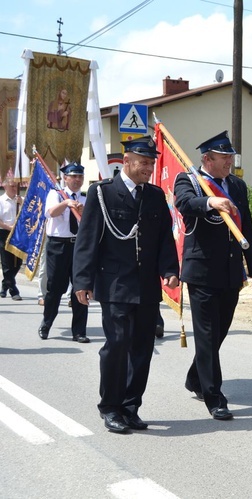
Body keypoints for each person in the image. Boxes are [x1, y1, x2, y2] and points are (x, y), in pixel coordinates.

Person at [73, 136, 179, 433]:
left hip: (145, 285)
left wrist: (169, 269)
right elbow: (87, 239)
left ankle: (131, 406)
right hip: (114, 283)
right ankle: (110, 406)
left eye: (152, 163)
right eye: (144, 163)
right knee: (117, 345)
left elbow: (163, 238)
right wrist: (83, 279)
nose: (149, 168)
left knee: (142, 347)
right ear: (127, 161)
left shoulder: (155, 196)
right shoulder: (103, 193)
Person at [174, 131, 252, 421]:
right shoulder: (189, 180)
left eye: (230, 157)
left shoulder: (236, 185)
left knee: (217, 334)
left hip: (230, 271)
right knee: (207, 334)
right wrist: (210, 202)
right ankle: (214, 396)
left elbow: (246, 229)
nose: (229, 162)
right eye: (224, 158)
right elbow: (185, 203)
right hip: (201, 271)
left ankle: (196, 377)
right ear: (207, 159)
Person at [38, 162, 88, 342]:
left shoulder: (84, 198)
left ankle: (79, 331)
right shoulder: (56, 195)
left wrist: (82, 212)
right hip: (58, 246)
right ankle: (47, 322)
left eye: (80, 176)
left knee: (81, 287)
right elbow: (51, 212)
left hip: (78, 247)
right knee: (55, 288)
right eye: (73, 176)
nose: (77, 180)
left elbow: (89, 224)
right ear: (65, 178)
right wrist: (66, 203)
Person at [0, 178, 23, 301]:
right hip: (4, 233)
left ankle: (5, 285)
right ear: (5, 187)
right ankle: (14, 290)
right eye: (12, 186)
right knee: (7, 263)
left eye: (15, 186)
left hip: (18, 234)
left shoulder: (20, 200)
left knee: (17, 263)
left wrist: (22, 203)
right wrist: (9, 227)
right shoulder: (1, 201)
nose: (14, 188)